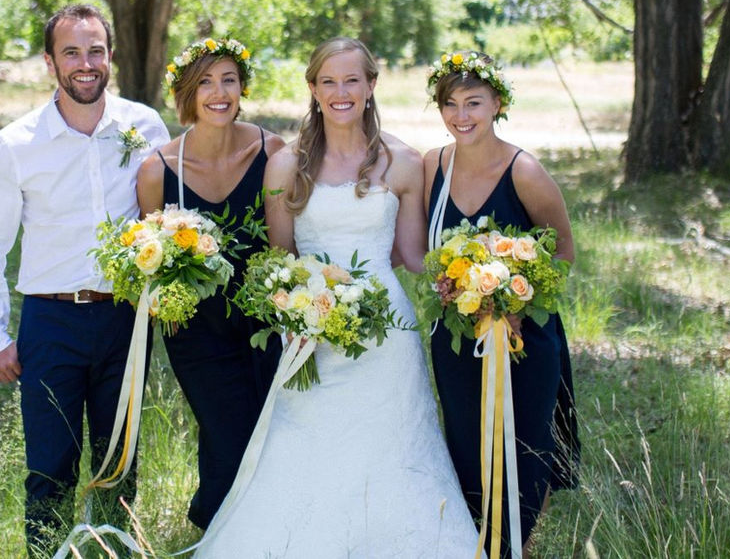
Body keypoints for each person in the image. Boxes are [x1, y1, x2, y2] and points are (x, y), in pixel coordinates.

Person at [195, 37, 480, 557]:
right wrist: (305, 307)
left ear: (371, 86)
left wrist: (478, 270)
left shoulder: (403, 162)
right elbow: (279, 261)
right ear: (312, 88)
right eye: (328, 81)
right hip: (310, 334)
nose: (340, 92)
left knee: (392, 448)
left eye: (352, 80)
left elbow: (412, 255)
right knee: (308, 446)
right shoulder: (286, 165)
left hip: (387, 336)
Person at [0, 4, 170, 556]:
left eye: (95, 51)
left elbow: (165, 218)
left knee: (118, 462)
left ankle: (114, 550)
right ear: (49, 61)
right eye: (72, 52)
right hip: (50, 321)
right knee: (50, 466)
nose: (86, 63)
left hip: (125, 318)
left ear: (110, 56)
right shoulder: (17, 144)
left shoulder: (145, 127)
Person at [423, 50, 580, 556]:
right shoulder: (432, 165)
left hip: (523, 338)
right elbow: (428, 253)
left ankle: (521, 545)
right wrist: (448, 283)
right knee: (467, 443)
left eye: (473, 102)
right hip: (457, 340)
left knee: (527, 445)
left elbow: (563, 253)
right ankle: (478, 541)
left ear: (498, 104)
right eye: (450, 104)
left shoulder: (524, 170)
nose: (461, 115)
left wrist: (513, 296)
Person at [136, 37, 283, 528]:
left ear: (242, 87)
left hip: (265, 323)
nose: (219, 93)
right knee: (226, 436)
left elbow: (286, 244)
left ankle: (271, 534)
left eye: (229, 80)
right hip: (197, 333)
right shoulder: (158, 170)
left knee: (272, 435)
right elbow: (152, 264)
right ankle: (218, 533)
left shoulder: (271, 152)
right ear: (187, 93)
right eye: (205, 82)